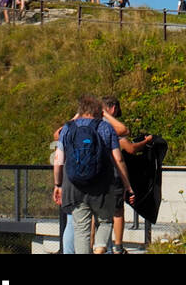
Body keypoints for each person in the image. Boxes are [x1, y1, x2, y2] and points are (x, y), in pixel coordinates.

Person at [53, 94, 134, 254]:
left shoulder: (68, 128)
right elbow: (118, 159)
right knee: (105, 221)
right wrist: (127, 185)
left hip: (74, 187)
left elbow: (58, 159)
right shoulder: (105, 128)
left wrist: (58, 185)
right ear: (99, 111)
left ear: (80, 111)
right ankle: (100, 247)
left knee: (81, 230)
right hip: (103, 187)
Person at [101, 96, 153, 254]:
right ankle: (117, 246)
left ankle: (94, 246)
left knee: (95, 214)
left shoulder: (91, 124)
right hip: (112, 175)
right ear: (113, 108)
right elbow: (130, 148)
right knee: (117, 211)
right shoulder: (112, 126)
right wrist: (146, 142)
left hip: (94, 176)